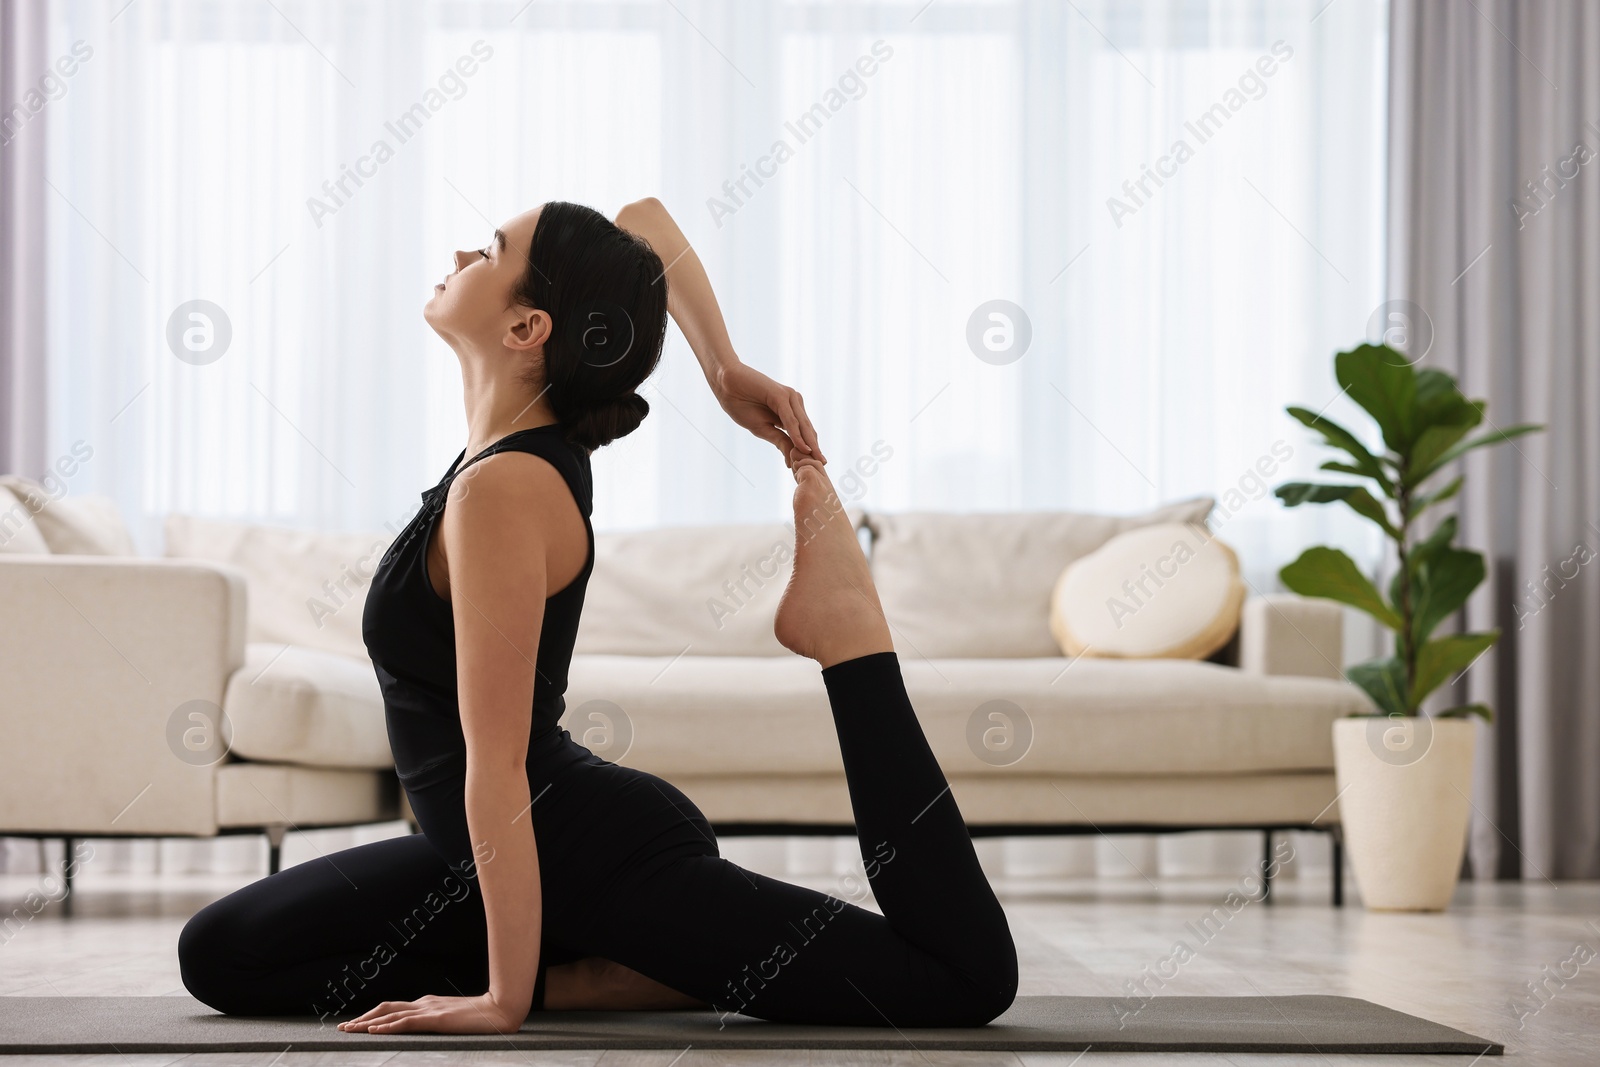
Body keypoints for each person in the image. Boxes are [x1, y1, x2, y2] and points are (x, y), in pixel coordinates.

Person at [177, 198, 1018, 1034]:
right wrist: (724, 371)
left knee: (958, 979)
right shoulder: (496, 454)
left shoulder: (503, 489)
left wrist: (503, 1002)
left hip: (599, 859)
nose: (467, 247)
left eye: (494, 248)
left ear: (527, 327)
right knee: (225, 951)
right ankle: (601, 968)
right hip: (484, 850)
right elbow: (642, 218)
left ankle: (849, 637)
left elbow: (498, 762)